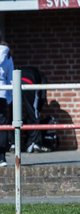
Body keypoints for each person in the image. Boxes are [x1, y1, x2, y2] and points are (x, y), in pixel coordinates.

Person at [8, 66, 51, 153]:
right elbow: (42, 96)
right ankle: (35, 144)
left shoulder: (28, 71)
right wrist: (38, 109)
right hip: (29, 84)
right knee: (34, 114)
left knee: (13, 114)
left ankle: (13, 144)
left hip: (14, 84)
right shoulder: (41, 76)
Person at [0, 35, 13, 166]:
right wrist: (10, 98)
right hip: (2, 93)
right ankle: (1, 157)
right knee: (2, 126)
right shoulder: (7, 54)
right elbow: (11, 78)